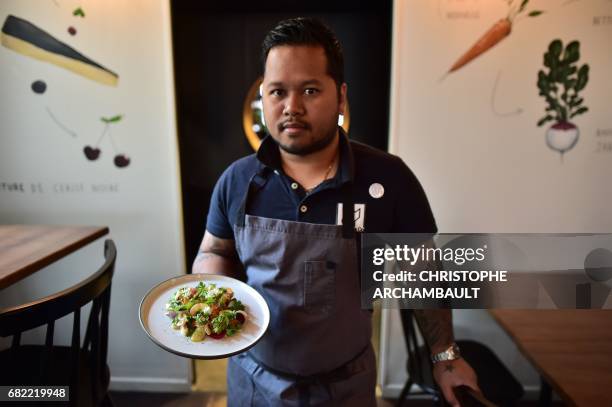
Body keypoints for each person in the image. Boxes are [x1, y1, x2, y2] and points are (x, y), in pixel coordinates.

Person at [193, 17, 479, 407]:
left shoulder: (388, 177)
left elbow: (422, 273)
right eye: (277, 92)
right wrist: (212, 295)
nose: (291, 107)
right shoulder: (238, 180)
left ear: (340, 97)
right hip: (255, 383)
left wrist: (446, 357)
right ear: (264, 96)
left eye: (310, 90)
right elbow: (216, 251)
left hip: (346, 387)